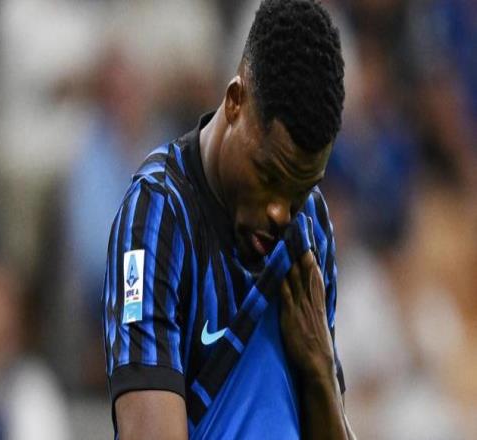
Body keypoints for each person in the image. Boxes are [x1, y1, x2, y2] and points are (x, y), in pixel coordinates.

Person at [103, 0, 355, 438]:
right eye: (269, 176)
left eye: (300, 190)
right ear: (235, 100)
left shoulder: (309, 226)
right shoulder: (157, 217)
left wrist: (320, 373)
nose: (281, 213)